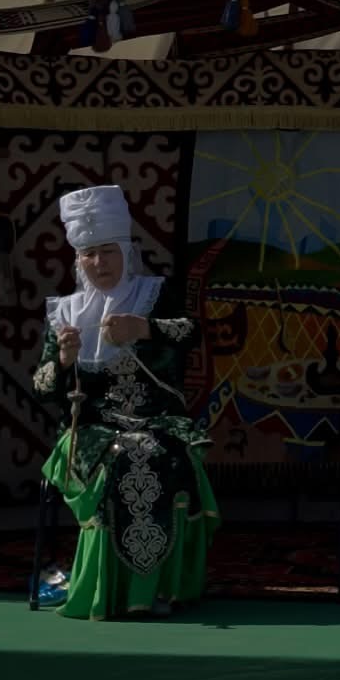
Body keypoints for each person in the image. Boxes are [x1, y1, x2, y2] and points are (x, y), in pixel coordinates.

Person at [34, 184, 218, 620]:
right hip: (91, 427)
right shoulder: (65, 313)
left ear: (126, 252)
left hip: (158, 420)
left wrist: (143, 329)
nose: (100, 263)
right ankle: (114, 591)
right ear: (78, 260)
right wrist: (63, 361)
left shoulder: (154, 294)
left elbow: (192, 333)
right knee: (123, 458)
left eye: (108, 252)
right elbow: (42, 386)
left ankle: (153, 590)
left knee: (153, 453)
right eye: (89, 254)